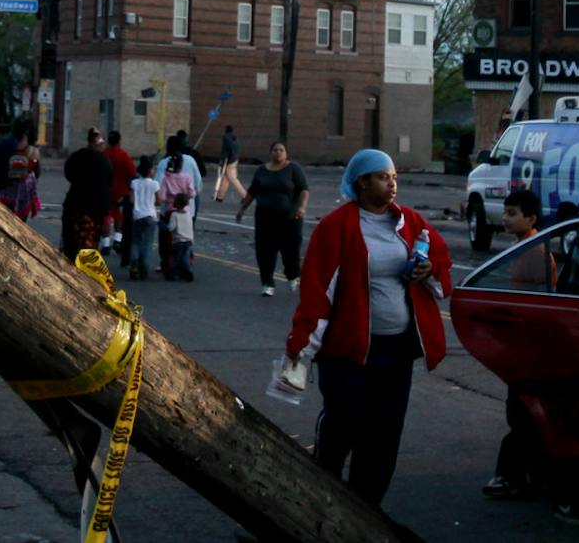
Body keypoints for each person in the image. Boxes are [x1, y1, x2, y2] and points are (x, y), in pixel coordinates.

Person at [284, 147, 452, 508]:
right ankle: (311, 507)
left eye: (394, 177)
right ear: (361, 182)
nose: (392, 184)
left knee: (384, 434)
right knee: (342, 427)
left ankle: (364, 512)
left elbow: (441, 264)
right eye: (383, 177)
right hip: (349, 351)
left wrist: (429, 271)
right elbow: (317, 293)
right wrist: (300, 350)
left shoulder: (411, 222)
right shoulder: (337, 227)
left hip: (396, 352)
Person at [483, 188, 555, 501]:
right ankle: (530, 473)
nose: (506, 218)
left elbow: (539, 303)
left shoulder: (535, 254)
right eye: (506, 212)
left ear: (532, 218)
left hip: (530, 347)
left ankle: (510, 475)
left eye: (513, 213)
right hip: (523, 345)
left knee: (522, 414)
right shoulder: (524, 248)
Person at [235, 138, 309, 295]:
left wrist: (302, 207)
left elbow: (304, 189)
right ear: (270, 152)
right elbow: (252, 191)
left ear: (286, 153)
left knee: (291, 250)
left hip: (290, 218)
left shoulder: (293, 168)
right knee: (265, 251)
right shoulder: (262, 170)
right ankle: (267, 283)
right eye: (275, 150)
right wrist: (242, 209)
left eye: (281, 150)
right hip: (265, 218)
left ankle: (292, 275)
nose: (278, 152)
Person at [60, 128, 116, 257]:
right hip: (93, 212)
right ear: (99, 145)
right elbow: (107, 183)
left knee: (72, 246)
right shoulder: (104, 162)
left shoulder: (76, 157)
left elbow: (68, 174)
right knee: (88, 248)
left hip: (73, 207)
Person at [157, 149, 199, 278]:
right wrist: (184, 196)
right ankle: (185, 266)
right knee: (185, 238)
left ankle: (170, 267)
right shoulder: (186, 177)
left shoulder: (166, 178)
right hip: (185, 211)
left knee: (172, 241)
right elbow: (193, 193)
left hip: (171, 209)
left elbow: (163, 197)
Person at [103, 129, 137, 255]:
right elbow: (132, 173)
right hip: (121, 191)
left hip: (106, 190)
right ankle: (117, 239)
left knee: (106, 216)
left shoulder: (104, 154)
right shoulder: (123, 155)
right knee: (119, 216)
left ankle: (105, 243)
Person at [126, 155, 160, 280]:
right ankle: (144, 267)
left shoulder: (134, 183)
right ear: (150, 171)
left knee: (135, 242)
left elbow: (131, 199)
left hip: (137, 215)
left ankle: (134, 263)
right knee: (147, 243)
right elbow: (158, 201)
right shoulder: (155, 184)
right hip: (150, 215)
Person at [166, 190, 196, 280]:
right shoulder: (188, 214)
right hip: (188, 240)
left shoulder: (174, 214)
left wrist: (164, 226)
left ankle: (173, 273)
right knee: (185, 257)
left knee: (175, 258)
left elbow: (171, 227)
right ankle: (187, 270)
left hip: (178, 240)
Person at [213, 124, 246, 205]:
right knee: (226, 179)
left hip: (229, 160)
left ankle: (245, 197)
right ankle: (220, 197)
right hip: (235, 160)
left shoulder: (225, 138)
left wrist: (222, 160)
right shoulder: (234, 138)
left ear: (226, 130)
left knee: (233, 179)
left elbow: (225, 150)